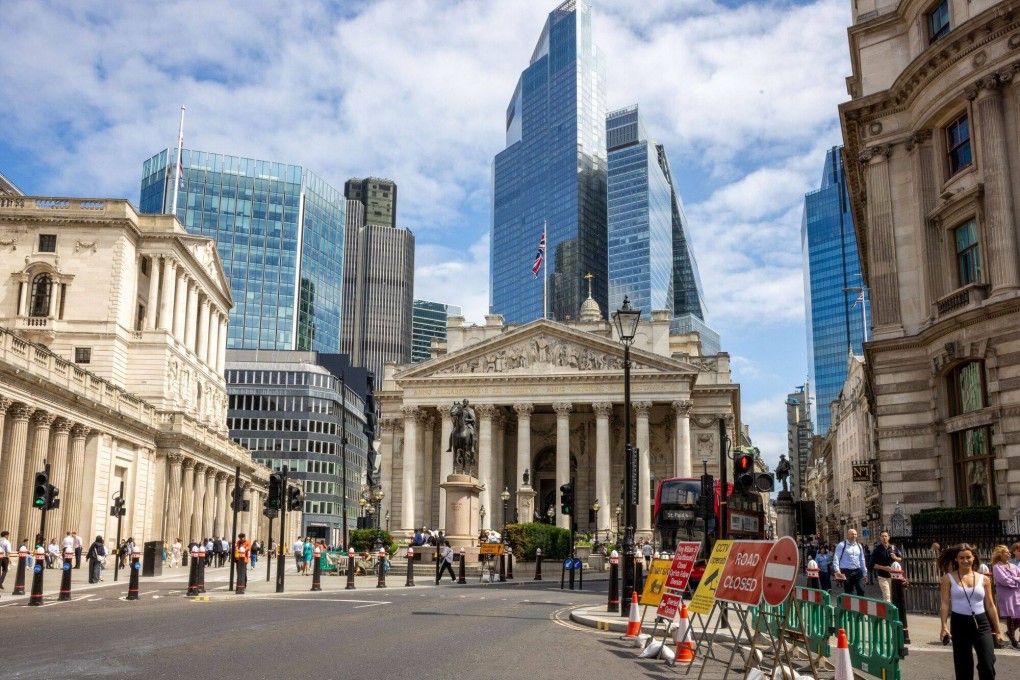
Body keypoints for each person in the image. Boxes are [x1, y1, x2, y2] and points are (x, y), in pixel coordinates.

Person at [939, 543, 1005, 679]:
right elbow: (944, 604)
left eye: (968, 557)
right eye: (961, 558)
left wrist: (998, 630)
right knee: (963, 667)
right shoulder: (948, 578)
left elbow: (991, 605)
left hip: (982, 624)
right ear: (956, 559)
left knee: (987, 663)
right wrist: (944, 626)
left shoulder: (984, 579)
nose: (965, 561)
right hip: (959, 624)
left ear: (973, 557)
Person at [991, 544, 1020, 651]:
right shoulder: (997, 567)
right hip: (1006, 594)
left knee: (1018, 615)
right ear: (1000, 554)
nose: (1009, 553)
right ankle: (1013, 641)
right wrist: (1016, 579)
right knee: (1011, 616)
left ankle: (1009, 632)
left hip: (1017, 593)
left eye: (1009, 552)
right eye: (1006, 552)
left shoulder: (1014, 566)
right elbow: (1004, 580)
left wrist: (1013, 579)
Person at [870, 531, 903, 602]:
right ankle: (888, 612)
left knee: (893, 595)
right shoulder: (877, 550)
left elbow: (900, 559)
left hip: (893, 577)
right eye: (882, 536)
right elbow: (872, 564)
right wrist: (884, 568)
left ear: (889, 537)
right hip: (882, 576)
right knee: (887, 595)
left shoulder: (893, 548)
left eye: (886, 536)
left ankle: (892, 611)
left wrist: (895, 558)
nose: (884, 538)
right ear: (880, 538)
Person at [833, 528, 868, 596]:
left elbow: (862, 560)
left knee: (861, 589)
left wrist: (865, 573)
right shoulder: (842, 545)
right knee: (848, 591)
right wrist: (837, 570)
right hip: (846, 571)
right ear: (848, 535)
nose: (854, 536)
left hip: (857, 571)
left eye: (855, 534)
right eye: (852, 534)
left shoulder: (859, 546)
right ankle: (849, 606)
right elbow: (836, 558)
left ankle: (860, 605)